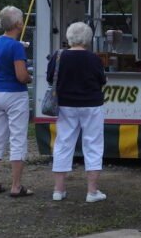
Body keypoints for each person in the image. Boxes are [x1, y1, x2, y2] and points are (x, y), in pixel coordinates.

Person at [47, 22, 108, 202]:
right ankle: (92, 191)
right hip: (91, 105)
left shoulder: (58, 56)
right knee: (93, 145)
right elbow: (101, 81)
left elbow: (51, 78)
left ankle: (58, 190)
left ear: (69, 37)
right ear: (88, 39)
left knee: (63, 143)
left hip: (66, 105)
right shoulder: (94, 59)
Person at [0, 6, 34, 197]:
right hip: (15, 95)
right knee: (18, 139)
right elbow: (21, 76)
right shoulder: (16, 47)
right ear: (18, 24)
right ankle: (16, 186)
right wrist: (30, 78)